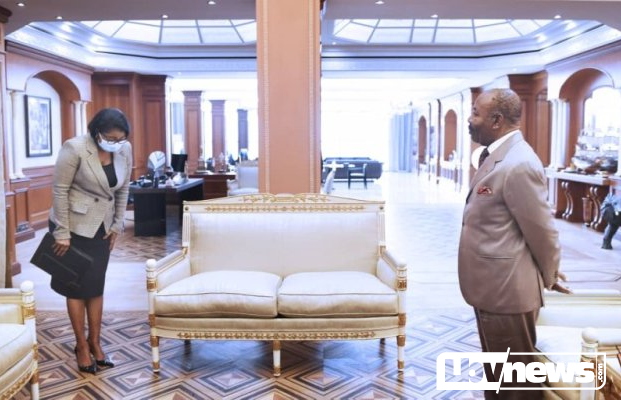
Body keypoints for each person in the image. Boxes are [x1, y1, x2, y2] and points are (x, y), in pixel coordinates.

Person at [458, 88, 571, 399]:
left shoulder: (518, 163)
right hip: (491, 288)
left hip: (506, 291)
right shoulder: (498, 155)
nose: (470, 119)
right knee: (499, 377)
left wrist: (550, 274)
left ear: (496, 120)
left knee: (514, 385)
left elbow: (542, 231)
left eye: (476, 113)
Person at [49, 108, 132, 374]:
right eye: (111, 138)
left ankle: (95, 341)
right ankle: (81, 346)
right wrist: (62, 232)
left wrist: (117, 224)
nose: (116, 143)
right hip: (72, 226)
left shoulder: (124, 149)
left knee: (95, 287)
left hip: (102, 228)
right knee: (75, 288)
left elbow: (124, 188)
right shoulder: (74, 148)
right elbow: (60, 191)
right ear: (97, 132)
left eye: (121, 138)